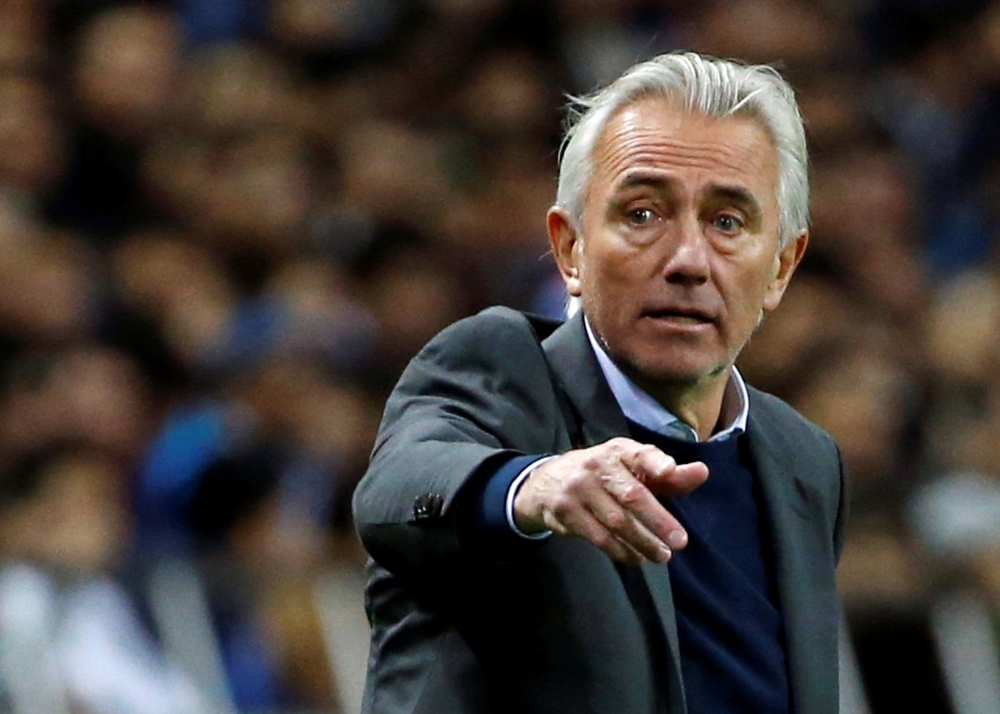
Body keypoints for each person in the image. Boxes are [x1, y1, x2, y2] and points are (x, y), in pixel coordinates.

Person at [352, 51, 848, 714]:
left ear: (782, 267)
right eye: (643, 214)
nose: (688, 260)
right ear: (570, 249)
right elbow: (396, 490)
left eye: (728, 222)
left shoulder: (805, 462)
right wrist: (530, 487)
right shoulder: (500, 368)